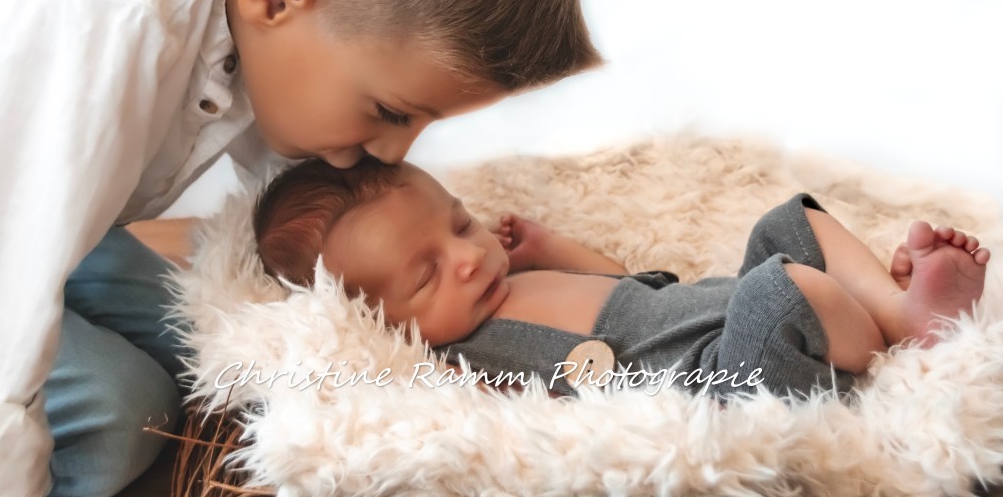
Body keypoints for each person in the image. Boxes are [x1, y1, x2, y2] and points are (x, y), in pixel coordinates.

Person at [0, 0, 600, 494]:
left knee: (209, 342)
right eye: (390, 112)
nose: (393, 153)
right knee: (121, 409)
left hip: (56, 221)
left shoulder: (271, 27)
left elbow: (303, 235)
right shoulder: (105, 11)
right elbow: (1, 319)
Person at [254, 158, 991, 398]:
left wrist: (554, 246)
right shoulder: (458, 361)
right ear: (375, 319)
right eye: (427, 274)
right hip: (721, 374)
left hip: (716, 301)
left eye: (460, 224)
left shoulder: (516, 278)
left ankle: (898, 308)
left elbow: (628, 285)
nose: (470, 256)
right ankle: (896, 337)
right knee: (784, 288)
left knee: (789, 221)